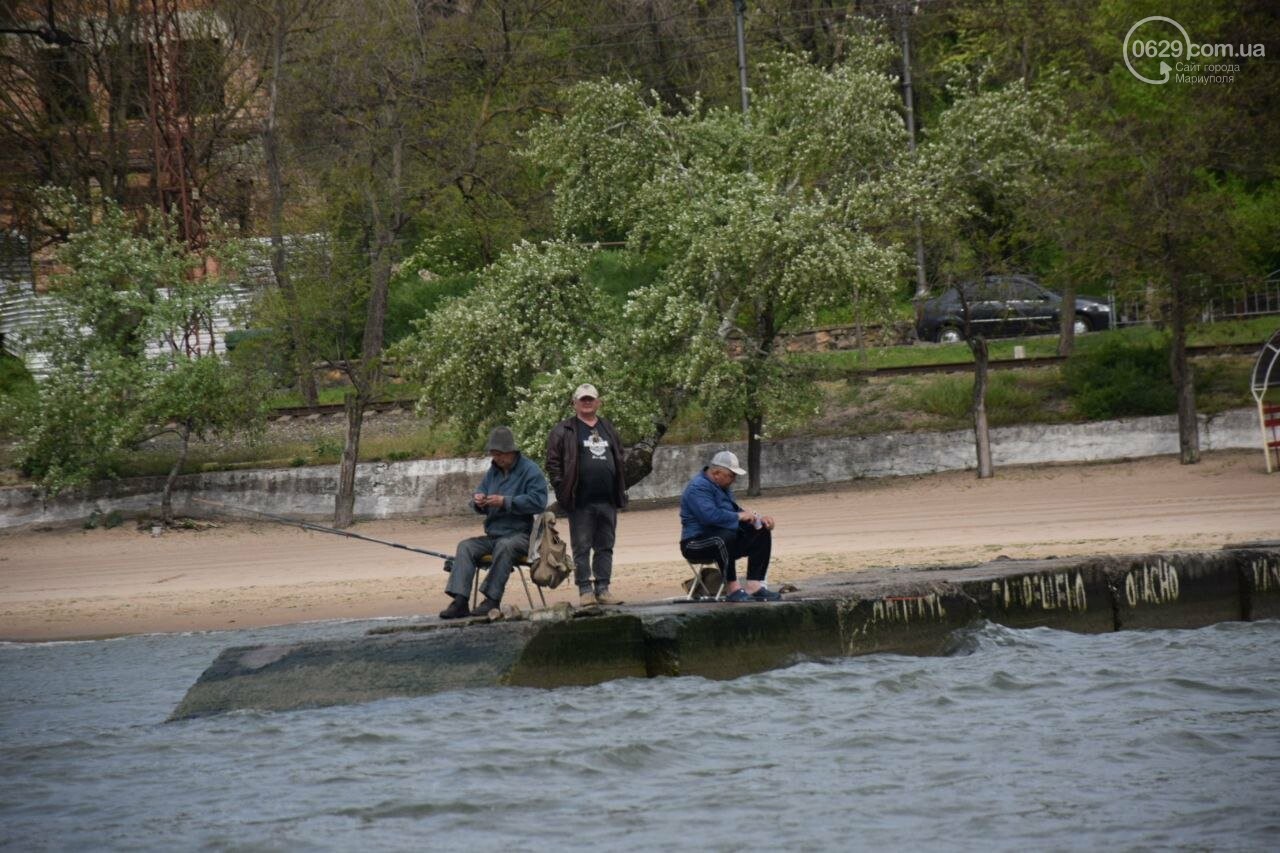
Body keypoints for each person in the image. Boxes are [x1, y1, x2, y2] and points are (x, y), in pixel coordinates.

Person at [439, 426, 548, 619]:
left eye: (499, 454)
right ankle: (460, 601)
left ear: (510, 452)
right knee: (465, 547)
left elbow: (539, 502)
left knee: (505, 546)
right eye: (493, 454)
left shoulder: (530, 470)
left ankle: (491, 600)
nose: (496, 458)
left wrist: (506, 501)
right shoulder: (493, 471)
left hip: (522, 536)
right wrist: (478, 501)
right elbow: (477, 496)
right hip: (494, 535)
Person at [545, 383, 628, 607]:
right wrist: (563, 491)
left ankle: (603, 589)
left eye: (591, 399)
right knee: (581, 547)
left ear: (598, 402)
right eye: (583, 399)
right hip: (580, 501)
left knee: (605, 546)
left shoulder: (608, 428)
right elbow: (553, 463)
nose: (587, 402)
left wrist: (619, 488)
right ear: (574, 403)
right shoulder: (563, 430)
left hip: (608, 499)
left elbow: (619, 456)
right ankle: (584, 590)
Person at [678, 450, 781, 602]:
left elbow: (734, 511)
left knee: (760, 530)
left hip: (724, 540)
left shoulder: (722, 487)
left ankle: (755, 585)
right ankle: (732, 588)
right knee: (724, 537)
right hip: (694, 543)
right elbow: (710, 517)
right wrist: (739, 516)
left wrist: (759, 519)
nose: (734, 479)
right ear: (716, 473)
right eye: (732, 475)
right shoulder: (697, 488)